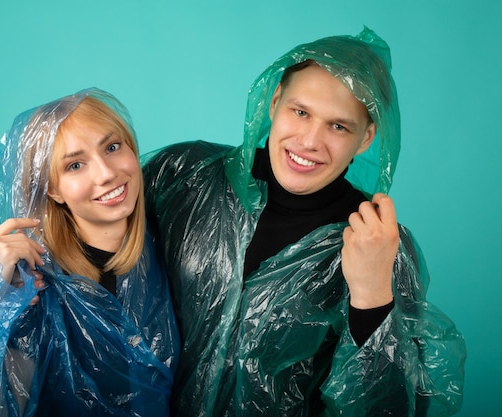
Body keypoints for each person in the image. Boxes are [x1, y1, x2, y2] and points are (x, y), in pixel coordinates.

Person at [142, 27, 466, 416]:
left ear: (365, 139)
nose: (310, 141)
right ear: (275, 101)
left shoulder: (377, 243)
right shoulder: (186, 176)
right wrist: (45, 252)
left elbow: (395, 406)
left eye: (338, 126)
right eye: (301, 112)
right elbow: (97, 247)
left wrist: (372, 295)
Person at [0, 88, 180, 417]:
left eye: (112, 147)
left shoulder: (175, 238)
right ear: (52, 188)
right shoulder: (36, 292)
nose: (106, 173)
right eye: (75, 165)